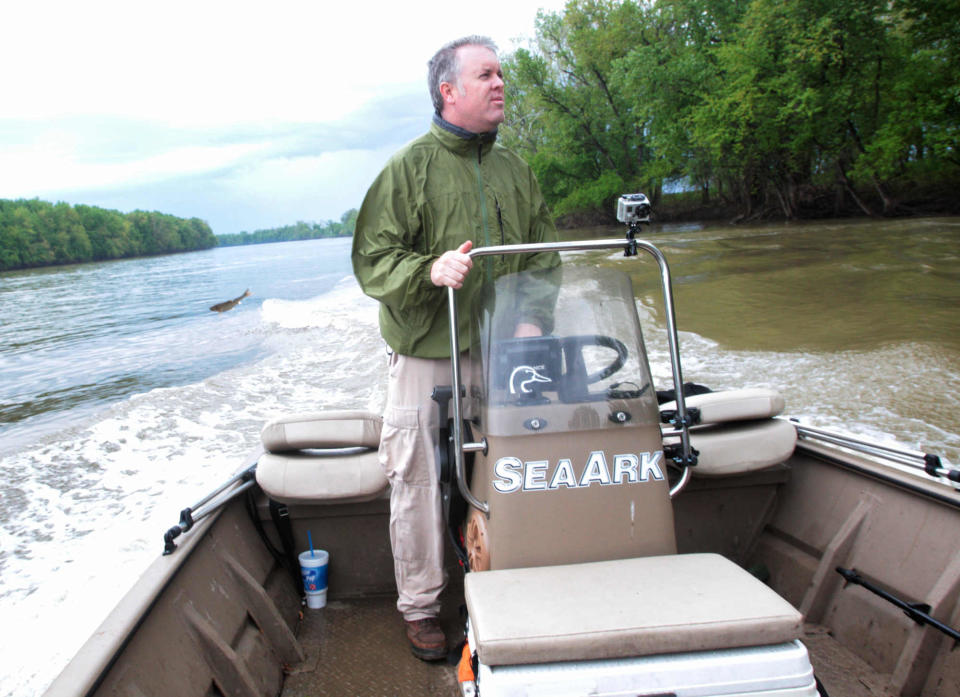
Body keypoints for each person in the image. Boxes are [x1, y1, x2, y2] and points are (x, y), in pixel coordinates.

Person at [351, 35, 559, 661]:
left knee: (513, 470)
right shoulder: (406, 169)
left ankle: (503, 586)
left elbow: (544, 258)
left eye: (502, 75)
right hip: (425, 352)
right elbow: (372, 261)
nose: (501, 84)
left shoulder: (515, 171)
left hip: (503, 353)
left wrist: (532, 322)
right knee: (416, 479)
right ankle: (420, 606)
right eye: (487, 75)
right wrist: (428, 270)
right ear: (449, 91)